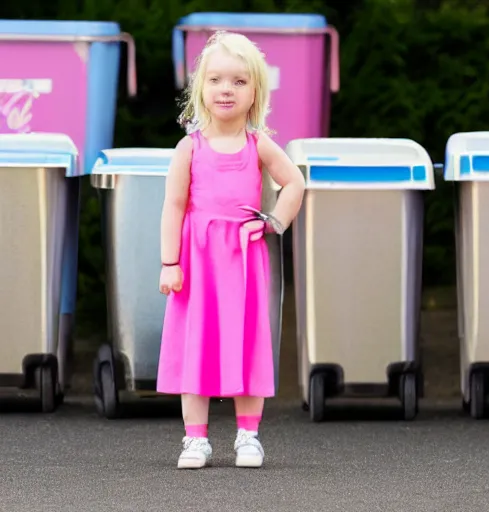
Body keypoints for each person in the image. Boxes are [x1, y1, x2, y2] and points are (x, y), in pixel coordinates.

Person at [157, 30, 305, 470]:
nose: (227, 89)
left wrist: (276, 221)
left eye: (239, 82)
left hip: (243, 260)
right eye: (217, 80)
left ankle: (248, 436)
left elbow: (294, 182)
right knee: (196, 344)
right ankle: (195, 439)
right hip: (197, 262)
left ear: (255, 91)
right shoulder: (189, 147)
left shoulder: (258, 144)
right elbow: (174, 206)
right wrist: (170, 262)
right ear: (201, 88)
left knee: (247, 341)